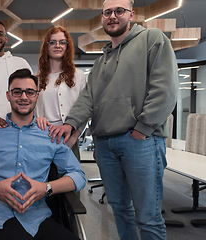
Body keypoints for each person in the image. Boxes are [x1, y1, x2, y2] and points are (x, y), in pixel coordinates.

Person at [49, 0, 178, 239]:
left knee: (148, 217)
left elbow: (166, 90)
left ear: (132, 14)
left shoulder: (152, 39)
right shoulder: (100, 62)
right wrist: (71, 123)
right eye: (107, 12)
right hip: (106, 144)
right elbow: (87, 99)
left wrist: (143, 128)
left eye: (119, 11)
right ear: (102, 18)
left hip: (140, 141)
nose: (113, 16)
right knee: (120, 210)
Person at [0, 69, 86, 240]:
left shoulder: (49, 135)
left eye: (29, 92)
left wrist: (46, 188)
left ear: (37, 96)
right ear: (8, 96)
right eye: (17, 92)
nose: (24, 97)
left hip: (38, 218)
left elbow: (79, 176)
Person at [36, 26, 87, 161]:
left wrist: (74, 137)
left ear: (67, 46)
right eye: (52, 42)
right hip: (42, 136)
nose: (57, 45)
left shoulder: (78, 75)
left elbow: (85, 109)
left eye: (62, 42)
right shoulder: (38, 78)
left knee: (68, 180)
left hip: (68, 137)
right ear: (46, 46)